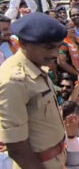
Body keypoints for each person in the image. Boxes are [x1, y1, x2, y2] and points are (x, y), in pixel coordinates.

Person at [0, 12, 67, 168]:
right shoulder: (14, 81)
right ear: (24, 43)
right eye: (48, 47)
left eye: (58, 47)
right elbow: (17, 149)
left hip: (55, 160)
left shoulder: (36, 67)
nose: (55, 54)